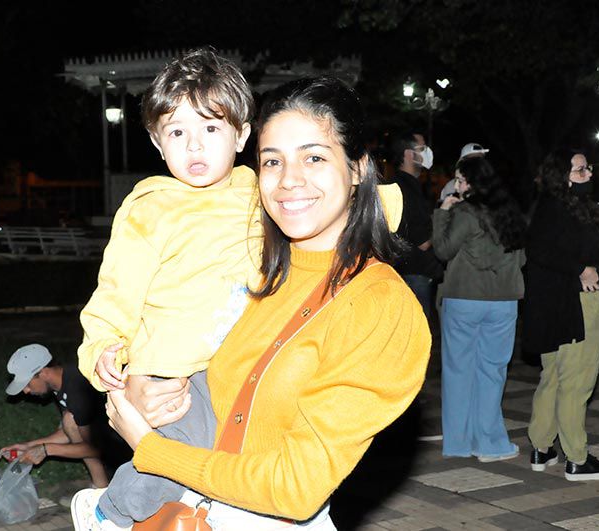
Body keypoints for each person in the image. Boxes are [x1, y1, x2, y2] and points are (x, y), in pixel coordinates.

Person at [74, 76, 431, 530]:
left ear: (358, 168)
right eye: (272, 161)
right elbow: (187, 340)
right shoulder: (258, 269)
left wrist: (151, 448)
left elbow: (295, 489)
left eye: (314, 157)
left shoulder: (379, 307)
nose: (290, 180)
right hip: (188, 511)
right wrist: (138, 386)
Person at [523, 149, 599, 481]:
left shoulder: (566, 205)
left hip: (560, 303)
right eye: (581, 170)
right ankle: (577, 458)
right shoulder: (557, 207)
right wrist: (581, 269)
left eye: (587, 169)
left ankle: (541, 446)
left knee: (554, 376)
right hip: (578, 305)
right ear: (563, 175)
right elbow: (540, 249)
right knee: (576, 381)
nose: (589, 174)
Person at [432, 157, 526, 461]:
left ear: (471, 183)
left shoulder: (465, 213)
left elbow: (443, 249)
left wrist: (442, 212)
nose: (457, 185)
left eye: (460, 180)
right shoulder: (510, 212)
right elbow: (522, 257)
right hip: (504, 301)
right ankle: (489, 443)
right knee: (492, 372)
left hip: (465, 298)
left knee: (459, 371)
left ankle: (459, 444)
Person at [1, 344, 112, 488]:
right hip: (105, 438)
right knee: (69, 420)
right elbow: (71, 431)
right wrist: (29, 446)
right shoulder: (60, 384)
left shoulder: (78, 389)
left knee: (70, 420)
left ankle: (102, 488)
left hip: (125, 449)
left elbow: (95, 448)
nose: (26, 391)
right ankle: (101, 486)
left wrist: (46, 450)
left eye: (27, 384)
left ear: (43, 373)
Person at [390, 131, 443, 321]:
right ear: (408, 154)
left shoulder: (404, 184)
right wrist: (444, 219)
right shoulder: (406, 189)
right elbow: (423, 242)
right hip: (414, 275)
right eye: (422, 148)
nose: (427, 152)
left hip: (406, 272)